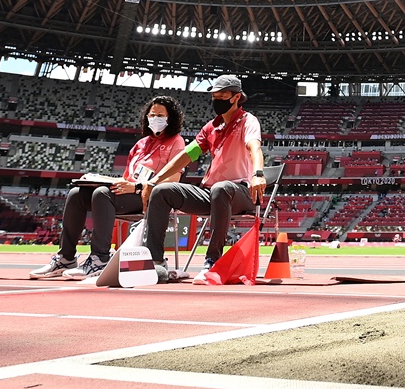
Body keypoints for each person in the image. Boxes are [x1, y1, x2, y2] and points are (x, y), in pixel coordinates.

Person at [29, 96, 187, 280]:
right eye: (152, 114)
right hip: (129, 193)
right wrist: (100, 178)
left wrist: (137, 186)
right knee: (76, 194)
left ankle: (100, 258)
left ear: (171, 118)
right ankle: (66, 257)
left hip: (151, 197)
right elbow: (127, 178)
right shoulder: (141, 144)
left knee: (102, 194)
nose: (155, 118)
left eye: (160, 115)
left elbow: (174, 178)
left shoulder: (176, 142)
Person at [140, 75, 267, 282]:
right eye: (214, 95)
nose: (217, 99)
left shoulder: (248, 121)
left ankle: (213, 262)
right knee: (162, 191)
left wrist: (258, 174)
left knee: (221, 188)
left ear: (236, 97)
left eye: (222, 95)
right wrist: (154, 181)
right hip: (210, 193)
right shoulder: (211, 127)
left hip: (241, 192)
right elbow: (184, 157)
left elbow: (255, 147)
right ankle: (154, 261)